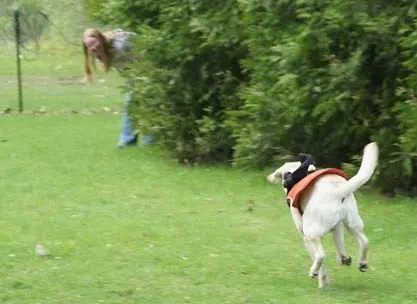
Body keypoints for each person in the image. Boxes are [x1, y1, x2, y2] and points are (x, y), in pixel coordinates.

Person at [82, 28, 152, 148]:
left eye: (94, 43)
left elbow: (142, 56)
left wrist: (145, 76)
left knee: (143, 103)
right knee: (132, 104)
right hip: (132, 72)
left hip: (145, 69)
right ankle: (131, 140)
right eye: (89, 46)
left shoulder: (122, 44)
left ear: (100, 38)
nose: (93, 48)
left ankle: (144, 140)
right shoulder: (100, 52)